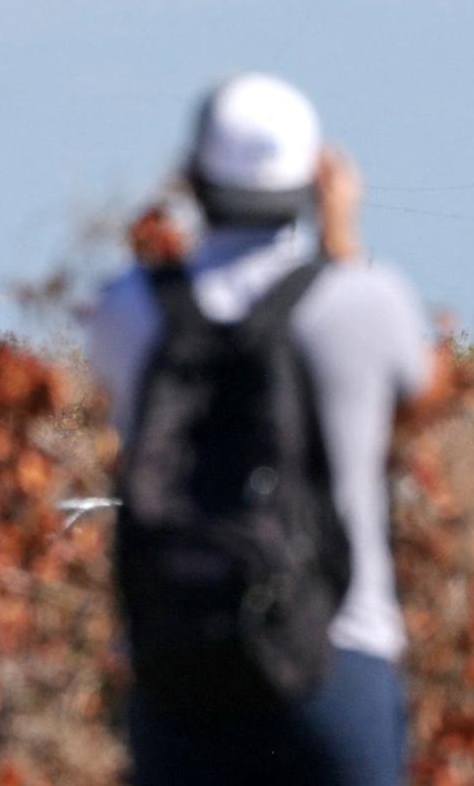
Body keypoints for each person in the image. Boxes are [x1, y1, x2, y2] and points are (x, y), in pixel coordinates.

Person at [88, 72, 435, 786]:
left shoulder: (127, 310)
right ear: (317, 177)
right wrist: (341, 239)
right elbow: (424, 395)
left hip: (177, 661)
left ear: (191, 178)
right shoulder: (366, 302)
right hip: (336, 653)